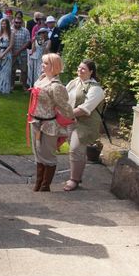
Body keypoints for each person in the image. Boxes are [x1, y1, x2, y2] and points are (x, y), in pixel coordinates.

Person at [27, 53, 74, 192]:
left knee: (47, 155)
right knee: (38, 154)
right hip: (35, 121)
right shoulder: (41, 79)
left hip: (48, 125)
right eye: (43, 62)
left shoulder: (56, 86)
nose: (42, 65)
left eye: (46, 63)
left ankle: (45, 186)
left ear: (54, 66)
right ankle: (38, 183)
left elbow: (65, 106)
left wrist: (71, 119)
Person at [64, 59, 106, 191]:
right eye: (79, 68)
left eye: (83, 69)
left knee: (75, 150)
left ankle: (73, 180)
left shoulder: (96, 89)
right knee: (79, 151)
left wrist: (64, 115)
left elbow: (85, 109)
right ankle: (77, 177)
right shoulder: (74, 82)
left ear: (91, 72)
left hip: (86, 124)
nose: (79, 70)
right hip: (72, 121)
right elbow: (64, 96)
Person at [0, 18, 13, 94]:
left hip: (7, 53)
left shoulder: (11, 33)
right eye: (2, 23)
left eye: (5, 24)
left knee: (6, 71)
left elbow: (11, 45)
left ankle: (4, 89)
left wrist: (3, 54)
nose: (3, 25)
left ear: (7, 24)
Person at [11, 17, 31, 90]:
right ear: (14, 22)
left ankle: (24, 86)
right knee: (12, 70)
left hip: (22, 54)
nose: (18, 24)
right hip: (12, 54)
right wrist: (13, 51)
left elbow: (27, 42)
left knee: (24, 70)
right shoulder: (10, 30)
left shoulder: (26, 31)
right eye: (16, 22)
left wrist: (18, 51)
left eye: (19, 23)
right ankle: (11, 86)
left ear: (22, 23)